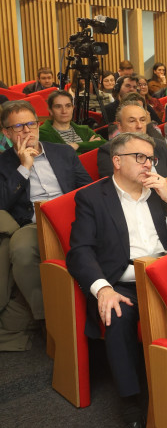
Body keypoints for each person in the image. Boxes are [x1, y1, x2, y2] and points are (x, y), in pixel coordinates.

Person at [66, 132, 167, 428]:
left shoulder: (157, 193)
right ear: (117, 161)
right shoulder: (93, 198)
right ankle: (133, 417)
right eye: (140, 157)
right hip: (123, 284)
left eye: (151, 158)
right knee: (118, 317)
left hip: (165, 277)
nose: (148, 164)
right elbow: (79, 251)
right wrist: (103, 289)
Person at [0, 101, 91, 351]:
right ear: (6, 133)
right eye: (18, 126)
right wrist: (24, 167)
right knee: (20, 249)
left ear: (39, 125)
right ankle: (46, 317)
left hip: (73, 216)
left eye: (31, 123)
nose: (27, 131)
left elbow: (87, 188)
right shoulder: (4, 163)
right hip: (34, 223)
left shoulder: (63, 152)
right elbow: (3, 201)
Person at [98, 101, 167, 180]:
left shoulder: (158, 144)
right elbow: (118, 188)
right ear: (119, 126)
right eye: (132, 121)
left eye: (142, 120)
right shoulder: (108, 151)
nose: (139, 126)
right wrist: (165, 182)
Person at [38, 90, 106, 153]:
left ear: (72, 108)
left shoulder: (84, 130)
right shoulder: (42, 133)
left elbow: (104, 144)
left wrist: (78, 145)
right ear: (50, 110)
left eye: (68, 106)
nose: (64, 111)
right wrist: (89, 146)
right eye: (58, 106)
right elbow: (61, 156)